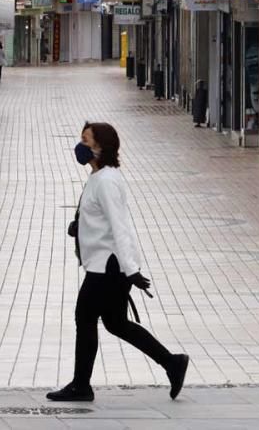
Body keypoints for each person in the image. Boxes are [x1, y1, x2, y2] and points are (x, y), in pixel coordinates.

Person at [48, 123, 189, 403]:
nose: (81, 145)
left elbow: (121, 226)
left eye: (86, 140)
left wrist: (131, 269)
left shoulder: (107, 181)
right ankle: (172, 363)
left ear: (101, 147)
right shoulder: (99, 177)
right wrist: (81, 226)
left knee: (85, 317)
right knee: (116, 323)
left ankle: (81, 386)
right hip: (106, 265)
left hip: (108, 267)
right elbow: (101, 220)